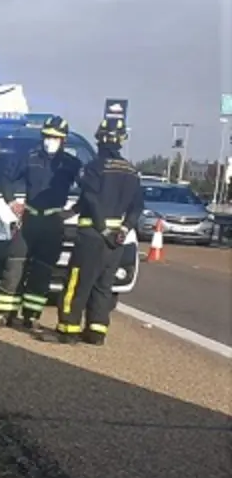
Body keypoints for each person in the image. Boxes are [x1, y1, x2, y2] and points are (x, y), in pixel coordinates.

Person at [48, 118, 143, 345]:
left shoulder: (93, 167)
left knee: (77, 283)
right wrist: (124, 228)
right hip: (116, 239)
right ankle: (96, 332)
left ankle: (67, 330)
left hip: (92, 235)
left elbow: (91, 198)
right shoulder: (131, 171)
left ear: (100, 139)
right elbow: (137, 206)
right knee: (103, 286)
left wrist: (101, 228)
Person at [0, 116, 82, 329]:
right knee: (14, 265)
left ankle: (31, 316)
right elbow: (6, 178)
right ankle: (4, 312)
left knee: (43, 271)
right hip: (29, 219)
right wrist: (11, 201)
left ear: (64, 140)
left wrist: (72, 212)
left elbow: (89, 191)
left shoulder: (71, 164)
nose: (50, 140)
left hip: (53, 223)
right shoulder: (29, 157)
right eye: (47, 136)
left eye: (55, 137)